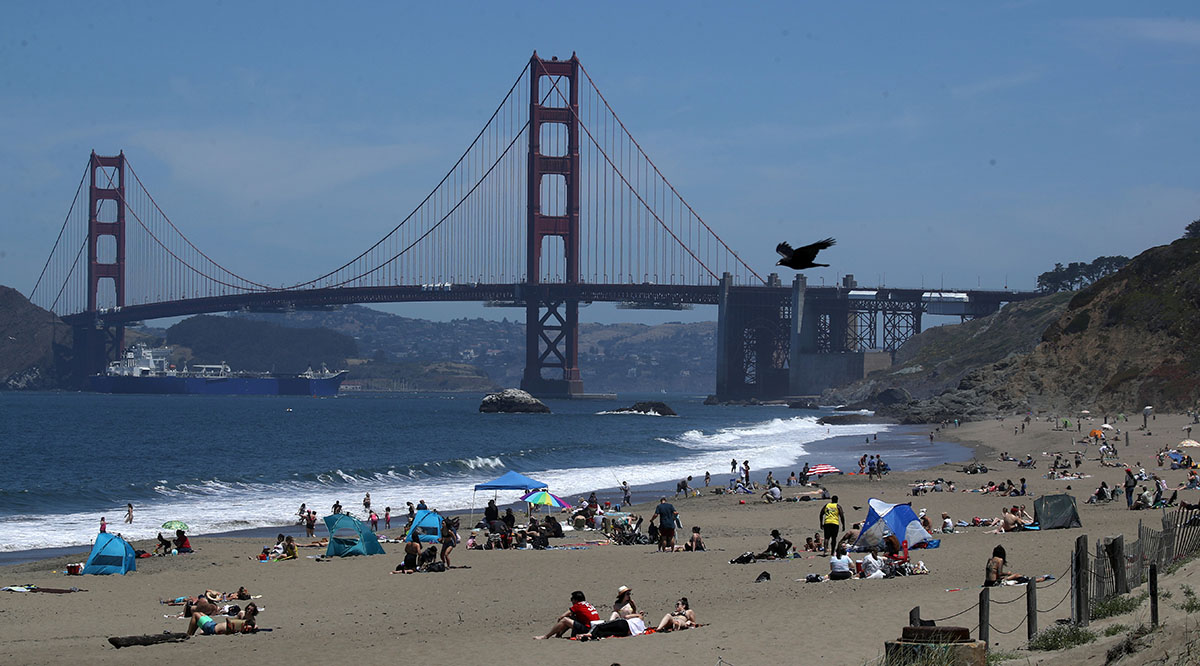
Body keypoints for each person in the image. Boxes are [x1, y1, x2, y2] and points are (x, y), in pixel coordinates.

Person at [534, 590, 600, 639]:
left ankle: (546, 636)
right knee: (571, 618)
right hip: (595, 629)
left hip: (588, 630)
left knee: (565, 620)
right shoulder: (587, 604)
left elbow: (561, 617)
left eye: (572, 599)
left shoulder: (578, 605)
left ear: (576, 600)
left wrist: (557, 629)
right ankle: (559, 635)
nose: (571, 601)